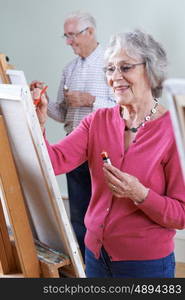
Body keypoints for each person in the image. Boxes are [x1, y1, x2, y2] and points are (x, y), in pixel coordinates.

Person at [33, 29, 185, 278]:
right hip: (94, 257)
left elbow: (181, 215)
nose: (115, 77)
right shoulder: (98, 121)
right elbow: (54, 162)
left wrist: (140, 194)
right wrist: (37, 125)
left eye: (125, 68)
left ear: (150, 70)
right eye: (110, 69)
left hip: (145, 265)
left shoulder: (174, 131)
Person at [31, 11, 115, 260]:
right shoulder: (69, 70)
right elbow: (62, 112)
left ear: (90, 32)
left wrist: (90, 100)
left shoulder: (112, 64)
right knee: (79, 214)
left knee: (104, 214)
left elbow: (122, 108)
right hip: (74, 153)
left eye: (72, 35)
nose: (68, 41)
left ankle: (106, 267)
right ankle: (84, 268)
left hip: (104, 152)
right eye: (66, 36)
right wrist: (43, 101)